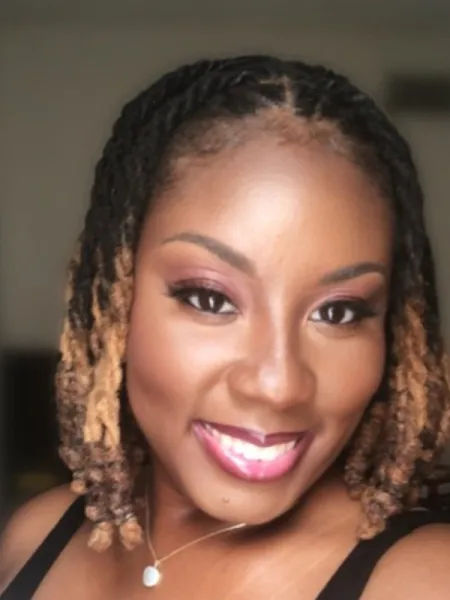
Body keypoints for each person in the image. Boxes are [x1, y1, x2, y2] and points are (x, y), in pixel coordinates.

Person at [1, 54, 450, 600]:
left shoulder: (424, 580)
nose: (279, 384)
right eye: (210, 299)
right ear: (110, 304)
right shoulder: (36, 536)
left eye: (338, 312)